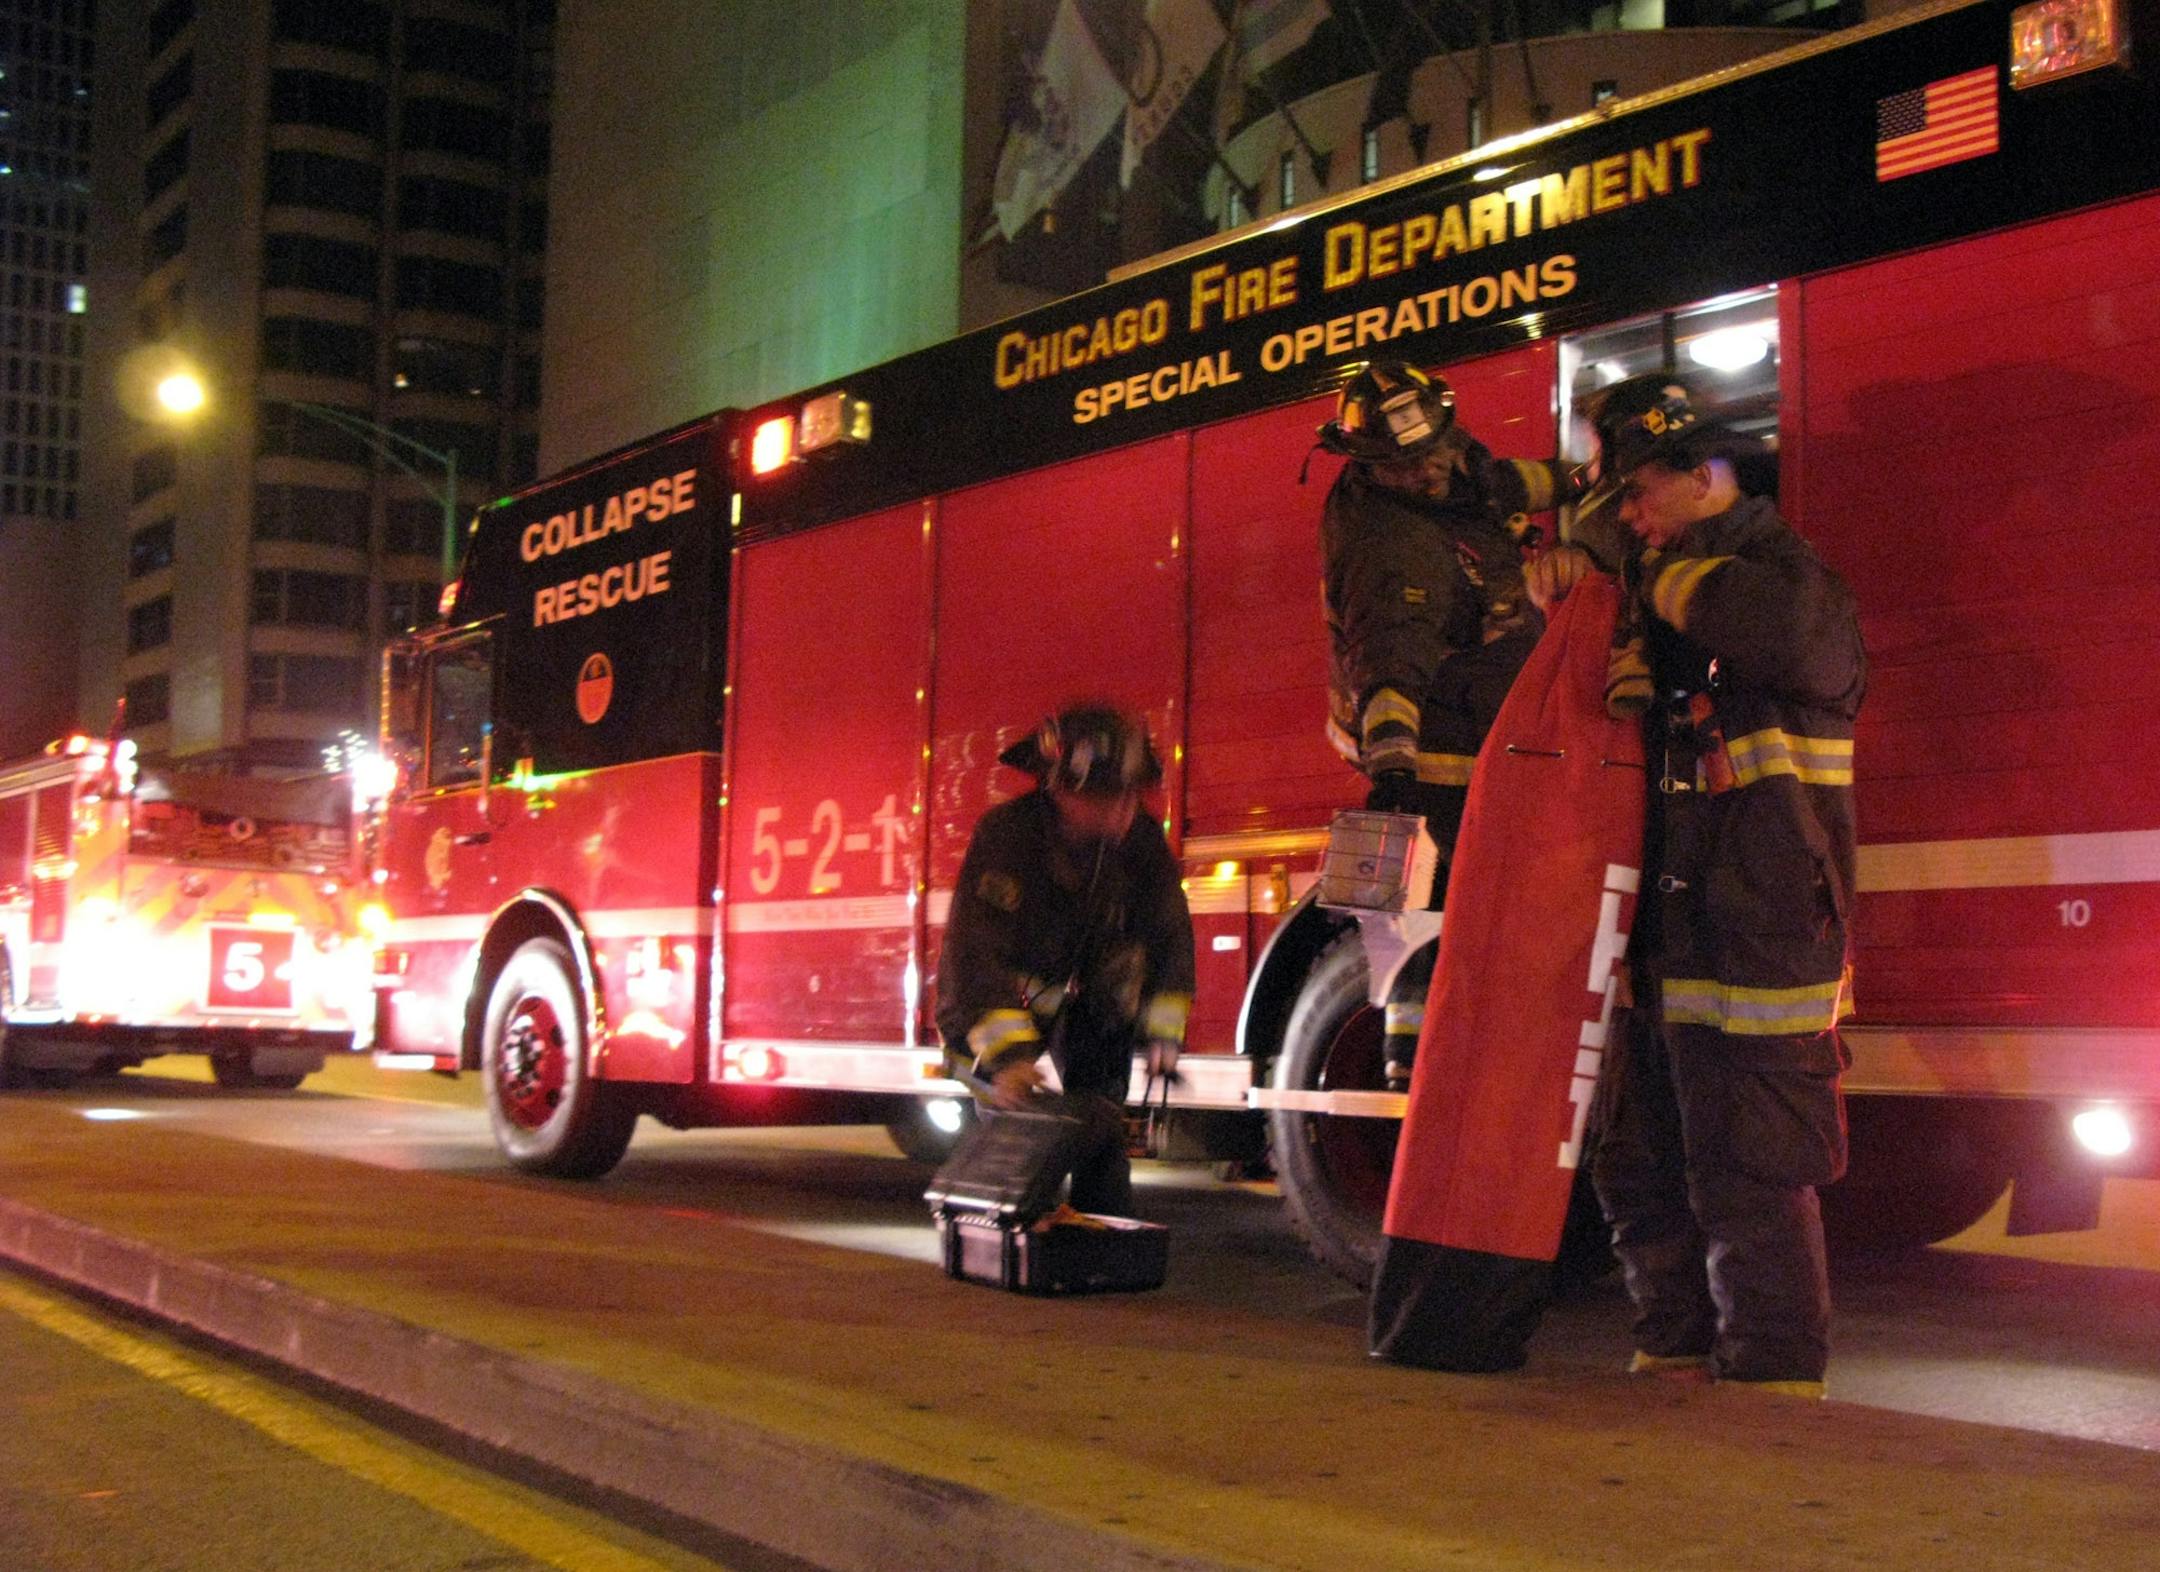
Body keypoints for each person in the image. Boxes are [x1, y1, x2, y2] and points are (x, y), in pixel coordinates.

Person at [1526, 389, 1866, 1397]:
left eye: (1642, 492)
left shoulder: (1788, 582)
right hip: (1657, 925)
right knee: (1639, 1155)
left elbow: (1776, 631)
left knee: (1750, 1160)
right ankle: (1670, 1351)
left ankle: (1772, 1377)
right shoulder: (1650, 595)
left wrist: (1627, 571)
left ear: (1709, 472)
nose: (1629, 515)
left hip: (1760, 928)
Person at [1316, 361, 1543, 1083]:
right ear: (1370, 467)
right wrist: (1393, 775)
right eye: (1406, 466)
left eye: (1434, 453)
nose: (1428, 472)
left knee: (1444, 919)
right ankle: (1414, 1068)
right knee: (1423, 921)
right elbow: (1387, 666)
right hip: (1432, 757)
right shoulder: (1389, 549)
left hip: (1479, 742)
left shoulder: (1457, 473)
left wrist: (1600, 472)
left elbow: (1507, 483)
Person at [935, 705, 1195, 1216]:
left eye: (1130, 795)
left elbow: (1170, 938)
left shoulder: (1139, 842)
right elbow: (976, 957)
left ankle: (1101, 1241)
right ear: (1060, 790)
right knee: (1016, 1136)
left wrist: (1163, 1033)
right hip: (995, 1014)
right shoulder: (1008, 839)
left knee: (1100, 1126)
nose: (1123, 811)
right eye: (1106, 797)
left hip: (1089, 1009)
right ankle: (1007, 1234)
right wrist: (1009, 1061)